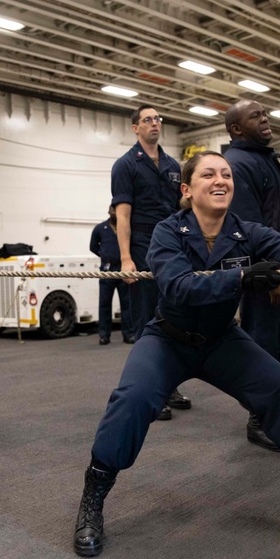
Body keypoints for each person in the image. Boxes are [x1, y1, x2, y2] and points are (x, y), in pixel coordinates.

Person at [72, 150, 280, 558]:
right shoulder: (167, 232)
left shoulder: (246, 232)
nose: (221, 180)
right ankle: (93, 502)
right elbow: (178, 287)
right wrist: (241, 277)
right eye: (209, 174)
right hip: (169, 338)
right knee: (132, 400)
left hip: (220, 339)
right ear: (186, 190)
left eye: (227, 175)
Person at [225, 99, 280, 453]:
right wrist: (274, 277)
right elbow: (249, 227)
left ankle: (265, 393)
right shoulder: (237, 164)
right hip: (269, 273)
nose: (265, 118)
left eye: (265, 112)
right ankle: (260, 416)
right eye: (255, 116)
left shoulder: (266, 158)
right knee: (264, 346)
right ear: (236, 128)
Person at [111, 104, 190, 419]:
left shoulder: (173, 165)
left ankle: (168, 384)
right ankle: (150, 392)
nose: (155, 123)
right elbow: (123, 214)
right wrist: (126, 258)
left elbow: (181, 207)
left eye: (158, 119)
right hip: (142, 245)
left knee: (172, 316)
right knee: (147, 320)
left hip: (172, 245)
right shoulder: (125, 165)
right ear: (135, 128)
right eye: (148, 119)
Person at [89, 206, 133, 346]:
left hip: (123, 269)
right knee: (104, 304)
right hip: (107, 270)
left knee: (127, 304)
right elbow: (93, 247)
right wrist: (105, 255)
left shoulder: (127, 228)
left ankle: (128, 334)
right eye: (113, 211)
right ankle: (104, 335)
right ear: (109, 212)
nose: (115, 214)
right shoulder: (100, 229)